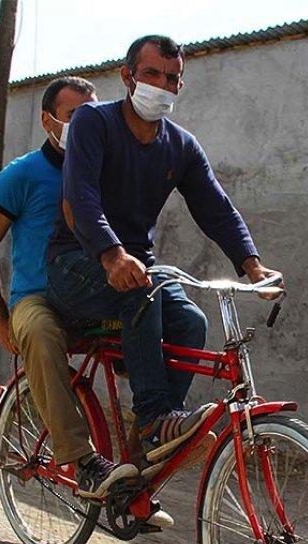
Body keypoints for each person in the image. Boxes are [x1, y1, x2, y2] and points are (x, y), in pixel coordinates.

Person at [46, 35, 281, 494]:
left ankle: (143, 459)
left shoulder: (181, 146)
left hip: (138, 269)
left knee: (191, 322)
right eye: (152, 74)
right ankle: (155, 420)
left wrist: (253, 268)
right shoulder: (94, 122)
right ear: (127, 75)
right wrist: (112, 254)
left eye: (172, 79)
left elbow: (217, 207)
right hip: (76, 260)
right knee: (140, 289)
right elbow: (82, 198)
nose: (163, 85)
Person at [0, 76, 145, 503]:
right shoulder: (22, 174)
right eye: (73, 117)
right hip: (38, 299)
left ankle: (139, 468)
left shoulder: (106, 172)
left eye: (93, 115)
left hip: (92, 296)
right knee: (42, 334)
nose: (86, 125)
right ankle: (84, 462)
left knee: (158, 326)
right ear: (48, 121)